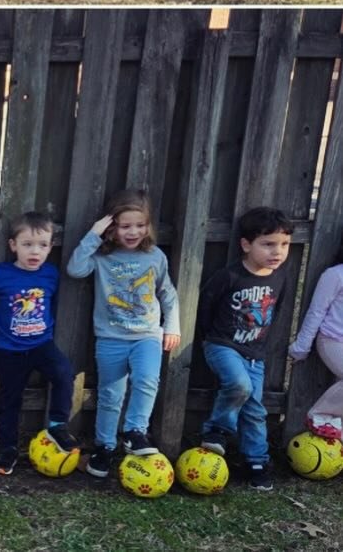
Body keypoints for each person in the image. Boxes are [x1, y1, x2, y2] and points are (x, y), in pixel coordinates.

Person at [65, 189, 180, 478]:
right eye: (125, 226)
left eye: (140, 225)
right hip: (111, 338)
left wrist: (172, 326)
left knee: (146, 380)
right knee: (109, 395)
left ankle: (134, 432)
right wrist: (94, 234)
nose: (133, 232)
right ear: (111, 227)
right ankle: (105, 447)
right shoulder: (103, 256)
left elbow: (167, 294)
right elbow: (75, 269)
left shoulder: (155, 256)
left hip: (147, 336)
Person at [0, 210, 79, 475]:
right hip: (11, 350)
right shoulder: (1, 274)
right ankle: (8, 449)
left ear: (50, 247)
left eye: (42, 245)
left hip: (41, 345)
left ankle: (58, 425)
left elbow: (54, 305)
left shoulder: (50, 274)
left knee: (63, 373)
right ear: (13, 245)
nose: (34, 251)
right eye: (27, 244)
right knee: (10, 401)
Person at [197, 205, 293, 491]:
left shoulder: (280, 278)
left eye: (284, 244)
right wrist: (210, 338)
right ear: (246, 244)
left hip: (255, 353)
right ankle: (217, 429)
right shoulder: (230, 276)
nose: (277, 252)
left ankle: (256, 461)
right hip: (222, 344)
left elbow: (277, 312)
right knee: (239, 386)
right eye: (268, 244)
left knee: (255, 409)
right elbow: (205, 307)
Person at [289, 235, 343, 440]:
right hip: (333, 340)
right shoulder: (335, 275)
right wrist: (302, 347)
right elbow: (316, 311)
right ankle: (319, 415)